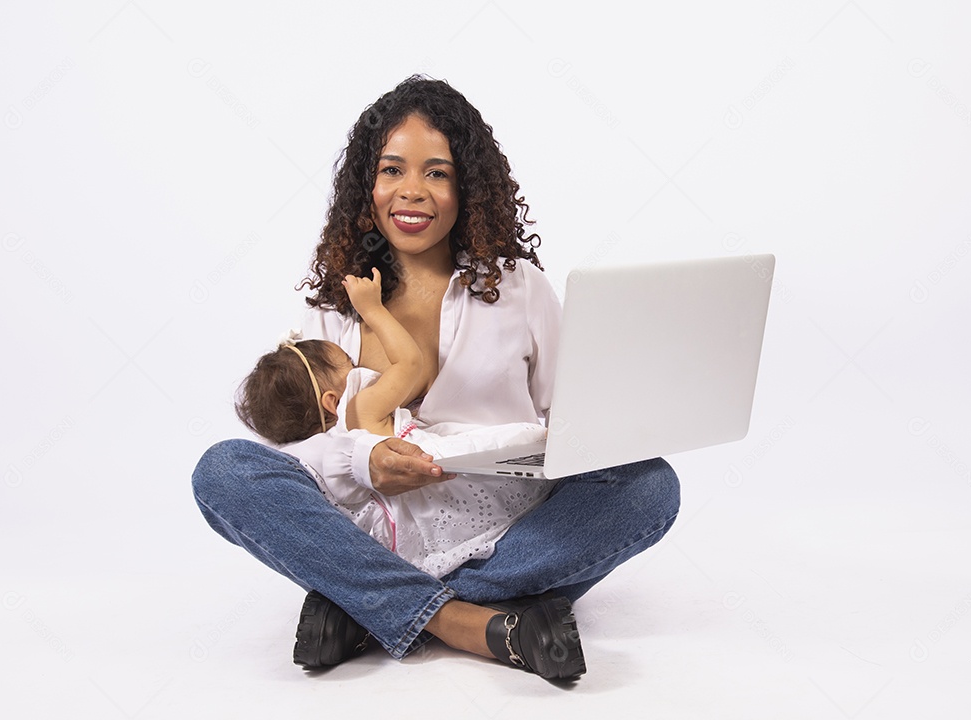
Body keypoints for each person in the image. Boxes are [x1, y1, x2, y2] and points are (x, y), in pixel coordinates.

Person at [191, 75, 681, 681]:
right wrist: (360, 459)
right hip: (375, 526)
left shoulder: (518, 287)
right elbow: (293, 442)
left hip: (503, 527)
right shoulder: (336, 302)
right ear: (366, 185)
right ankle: (472, 623)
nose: (411, 192)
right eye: (392, 170)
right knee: (224, 470)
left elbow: (573, 420)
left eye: (437, 173)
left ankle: (364, 607)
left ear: (466, 187)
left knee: (650, 486)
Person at [234, 267, 550, 579]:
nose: (358, 366)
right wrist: (372, 311)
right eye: (349, 365)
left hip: (399, 542)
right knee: (519, 447)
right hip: (442, 492)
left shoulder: (314, 459)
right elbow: (410, 364)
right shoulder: (359, 409)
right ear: (332, 401)